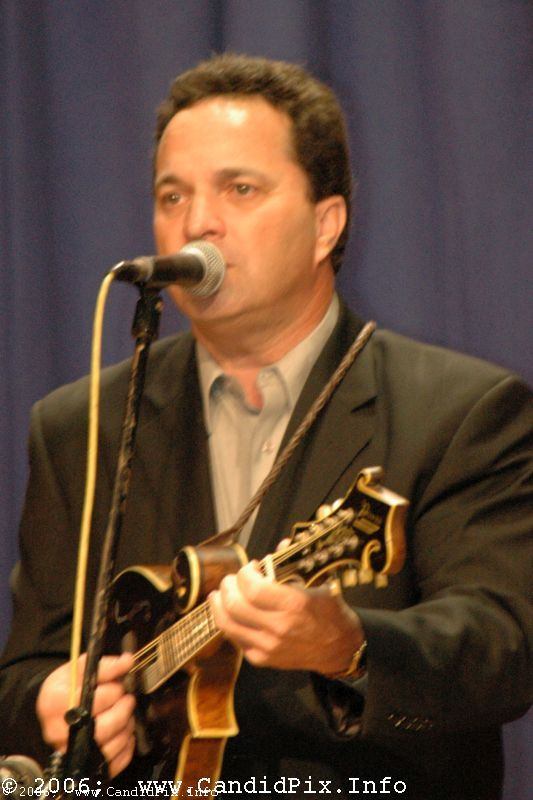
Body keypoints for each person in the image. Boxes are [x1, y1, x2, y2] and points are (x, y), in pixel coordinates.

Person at [0, 54, 531, 800]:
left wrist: (350, 647)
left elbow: (504, 650)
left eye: (239, 189)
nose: (196, 222)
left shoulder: (461, 411)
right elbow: (25, 674)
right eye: (172, 195)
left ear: (325, 225)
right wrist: (47, 704)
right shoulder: (79, 425)